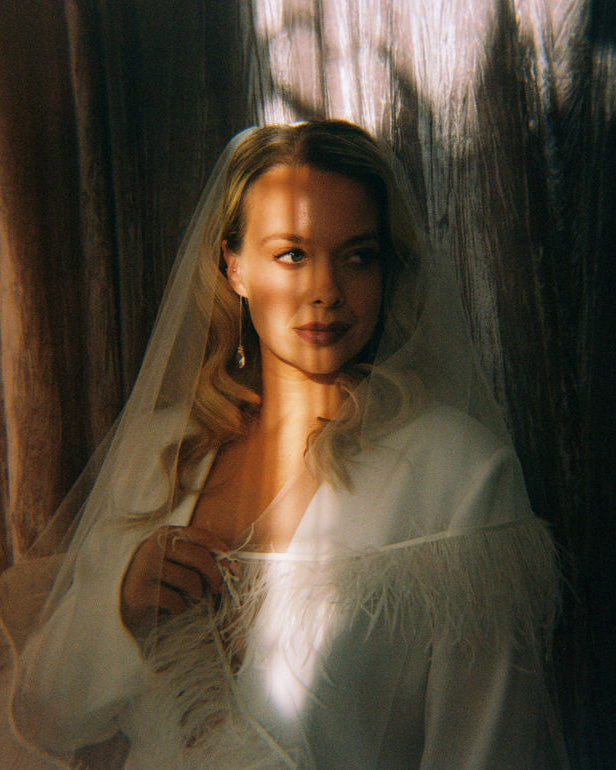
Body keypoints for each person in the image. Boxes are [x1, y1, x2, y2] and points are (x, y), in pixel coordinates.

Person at [5, 120, 565, 767]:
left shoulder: (457, 470)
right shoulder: (164, 452)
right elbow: (46, 719)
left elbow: (490, 748)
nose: (326, 289)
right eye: (293, 254)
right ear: (234, 267)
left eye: (359, 255)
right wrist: (119, 608)